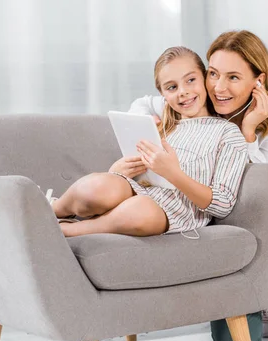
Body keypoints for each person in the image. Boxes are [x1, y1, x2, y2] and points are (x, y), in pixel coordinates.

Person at [129, 30, 268, 341]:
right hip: (227, 226)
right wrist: (145, 123)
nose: (219, 87)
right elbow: (143, 104)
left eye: (233, 77)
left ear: (257, 81)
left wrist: (247, 133)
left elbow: (267, 186)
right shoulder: (196, 99)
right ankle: (259, 304)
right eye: (213, 74)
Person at [49, 46, 248, 239]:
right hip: (139, 191)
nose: (183, 92)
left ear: (204, 78)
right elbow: (139, 177)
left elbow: (223, 204)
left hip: (176, 210)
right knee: (96, 187)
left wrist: (173, 173)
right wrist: (118, 172)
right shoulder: (161, 125)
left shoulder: (227, 133)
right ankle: (51, 209)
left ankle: (69, 230)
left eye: (191, 80)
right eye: (172, 87)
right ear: (163, 94)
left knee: (139, 211)